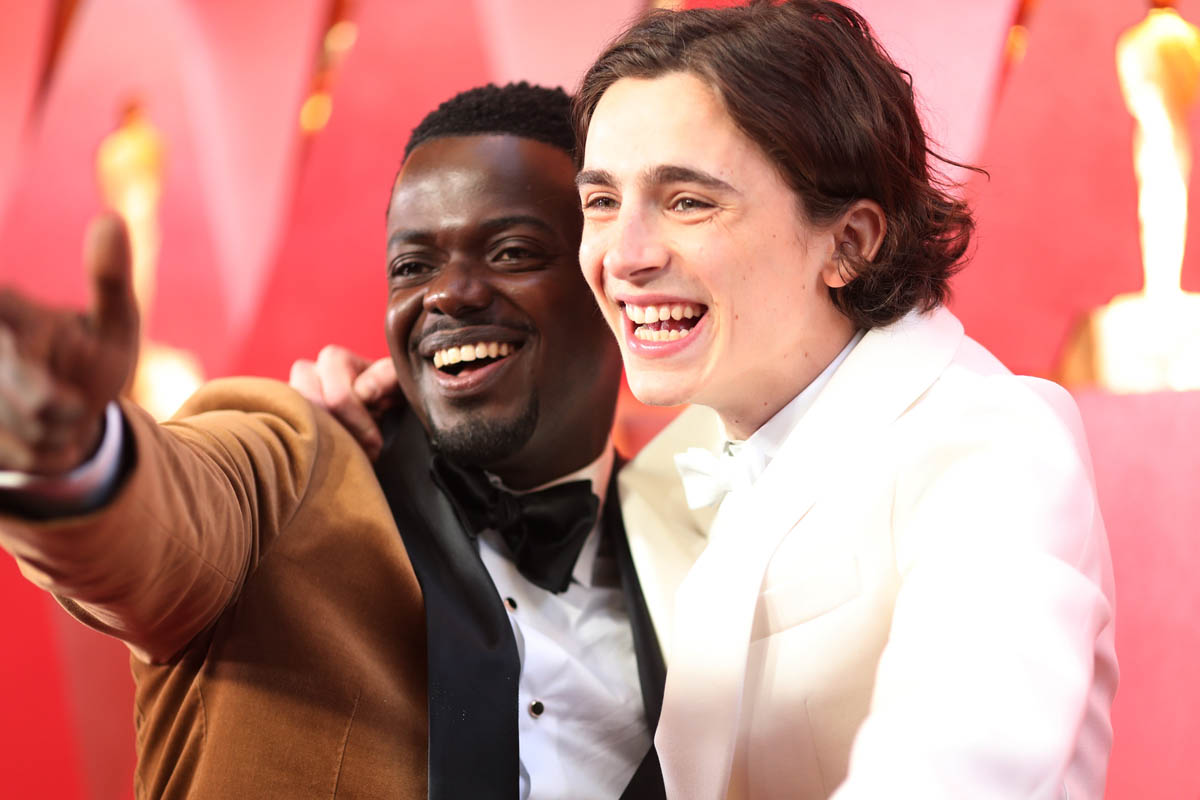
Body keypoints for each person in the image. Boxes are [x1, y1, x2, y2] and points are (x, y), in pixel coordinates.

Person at [0, 83, 666, 799]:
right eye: (413, 266)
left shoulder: (696, 545)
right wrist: (78, 456)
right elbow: (165, 525)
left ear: (612, 281)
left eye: (510, 252)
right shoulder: (294, 465)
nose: (448, 294)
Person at [572, 2, 1118, 798]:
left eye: (688, 200)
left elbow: (958, 769)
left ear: (850, 243)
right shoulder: (669, 468)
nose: (624, 255)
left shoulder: (993, 442)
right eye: (600, 201)